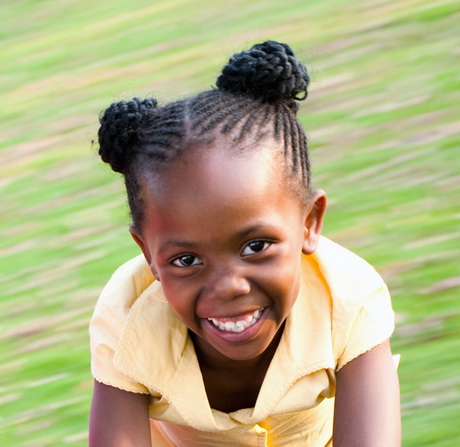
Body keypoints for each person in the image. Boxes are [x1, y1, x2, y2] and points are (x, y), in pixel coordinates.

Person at [89, 41, 401, 446]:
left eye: (256, 247)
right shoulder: (126, 318)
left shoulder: (347, 299)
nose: (228, 285)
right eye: (186, 259)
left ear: (309, 222)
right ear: (147, 253)